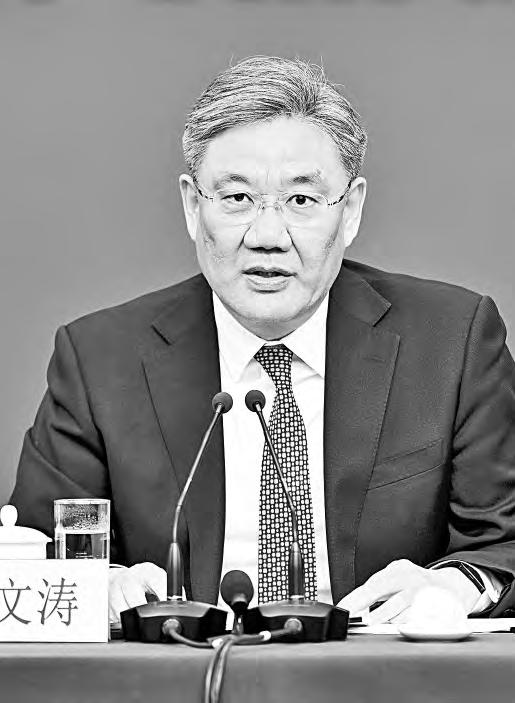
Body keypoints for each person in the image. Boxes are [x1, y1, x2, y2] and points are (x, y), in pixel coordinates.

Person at [10, 56, 515, 626]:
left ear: (350, 211)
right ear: (192, 207)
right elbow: (32, 552)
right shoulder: (101, 359)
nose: (268, 236)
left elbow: (505, 541)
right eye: (236, 199)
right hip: (182, 666)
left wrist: (454, 586)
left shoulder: (451, 341)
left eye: (301, 201)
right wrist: (96, 585)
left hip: (378, 665)